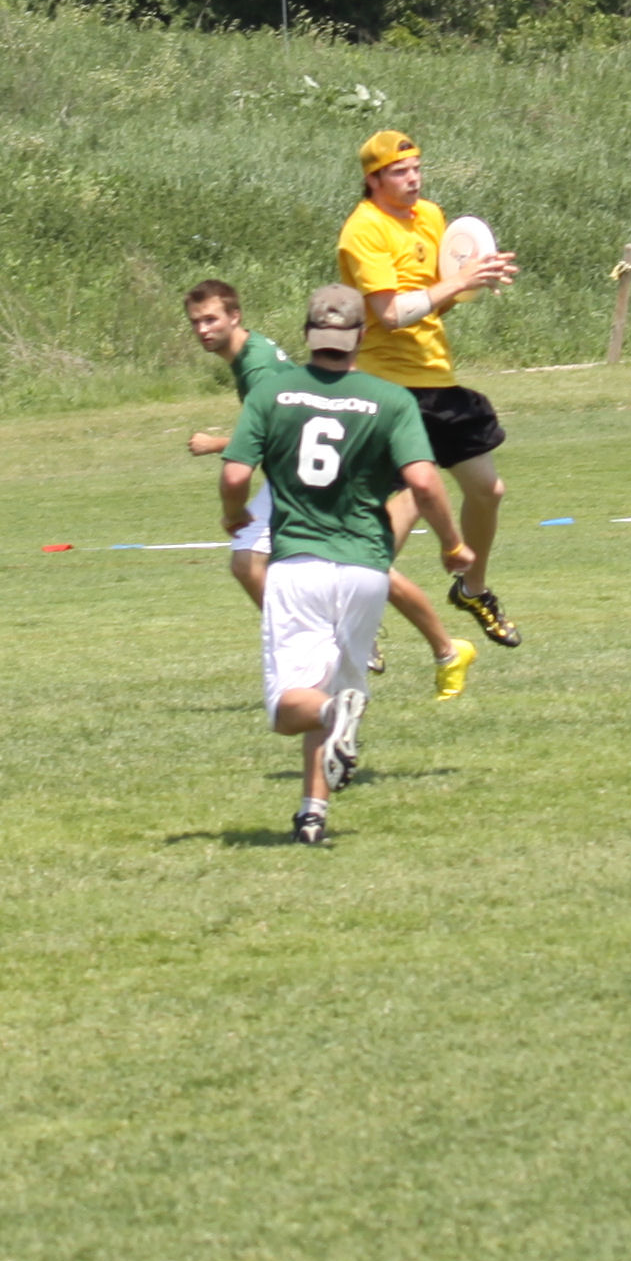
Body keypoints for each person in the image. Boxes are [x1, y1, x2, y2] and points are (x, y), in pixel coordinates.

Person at [220, 284, 474, 845]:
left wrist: (234, 514)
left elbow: (236, 473)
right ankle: (312, 813)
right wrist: (452, 545)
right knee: (328, 690)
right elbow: (424, 481)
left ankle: (337, 714)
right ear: (360, 336)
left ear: (307, 335)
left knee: (291, 708)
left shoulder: (274, 392)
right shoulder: (390, 399)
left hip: (298, 566)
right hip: (365, 572)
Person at [184, 280, 477, 700]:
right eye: (196, 322)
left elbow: (279, 425)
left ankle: (336, 641)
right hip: (311, 468)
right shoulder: (251, 355)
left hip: (313, 473)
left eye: (211, 319)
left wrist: (215, 444)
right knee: (359, 565)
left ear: (235, 316)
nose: (203, 329)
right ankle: (442, 651)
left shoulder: (257, 367)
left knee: (266, 562)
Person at [337, 129, 522, 649]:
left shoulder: (432, 217)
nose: (413, 178)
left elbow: (437, 300)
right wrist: (457, 283)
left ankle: (472, 589)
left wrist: (475, 278)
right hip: (384, 383)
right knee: (410, 499)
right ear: (373, 179)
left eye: (416, 168)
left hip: (436, 377)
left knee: (488, 490)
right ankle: (357, 614)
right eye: (400, 172)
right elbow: (391, 314)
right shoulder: (363, 229)